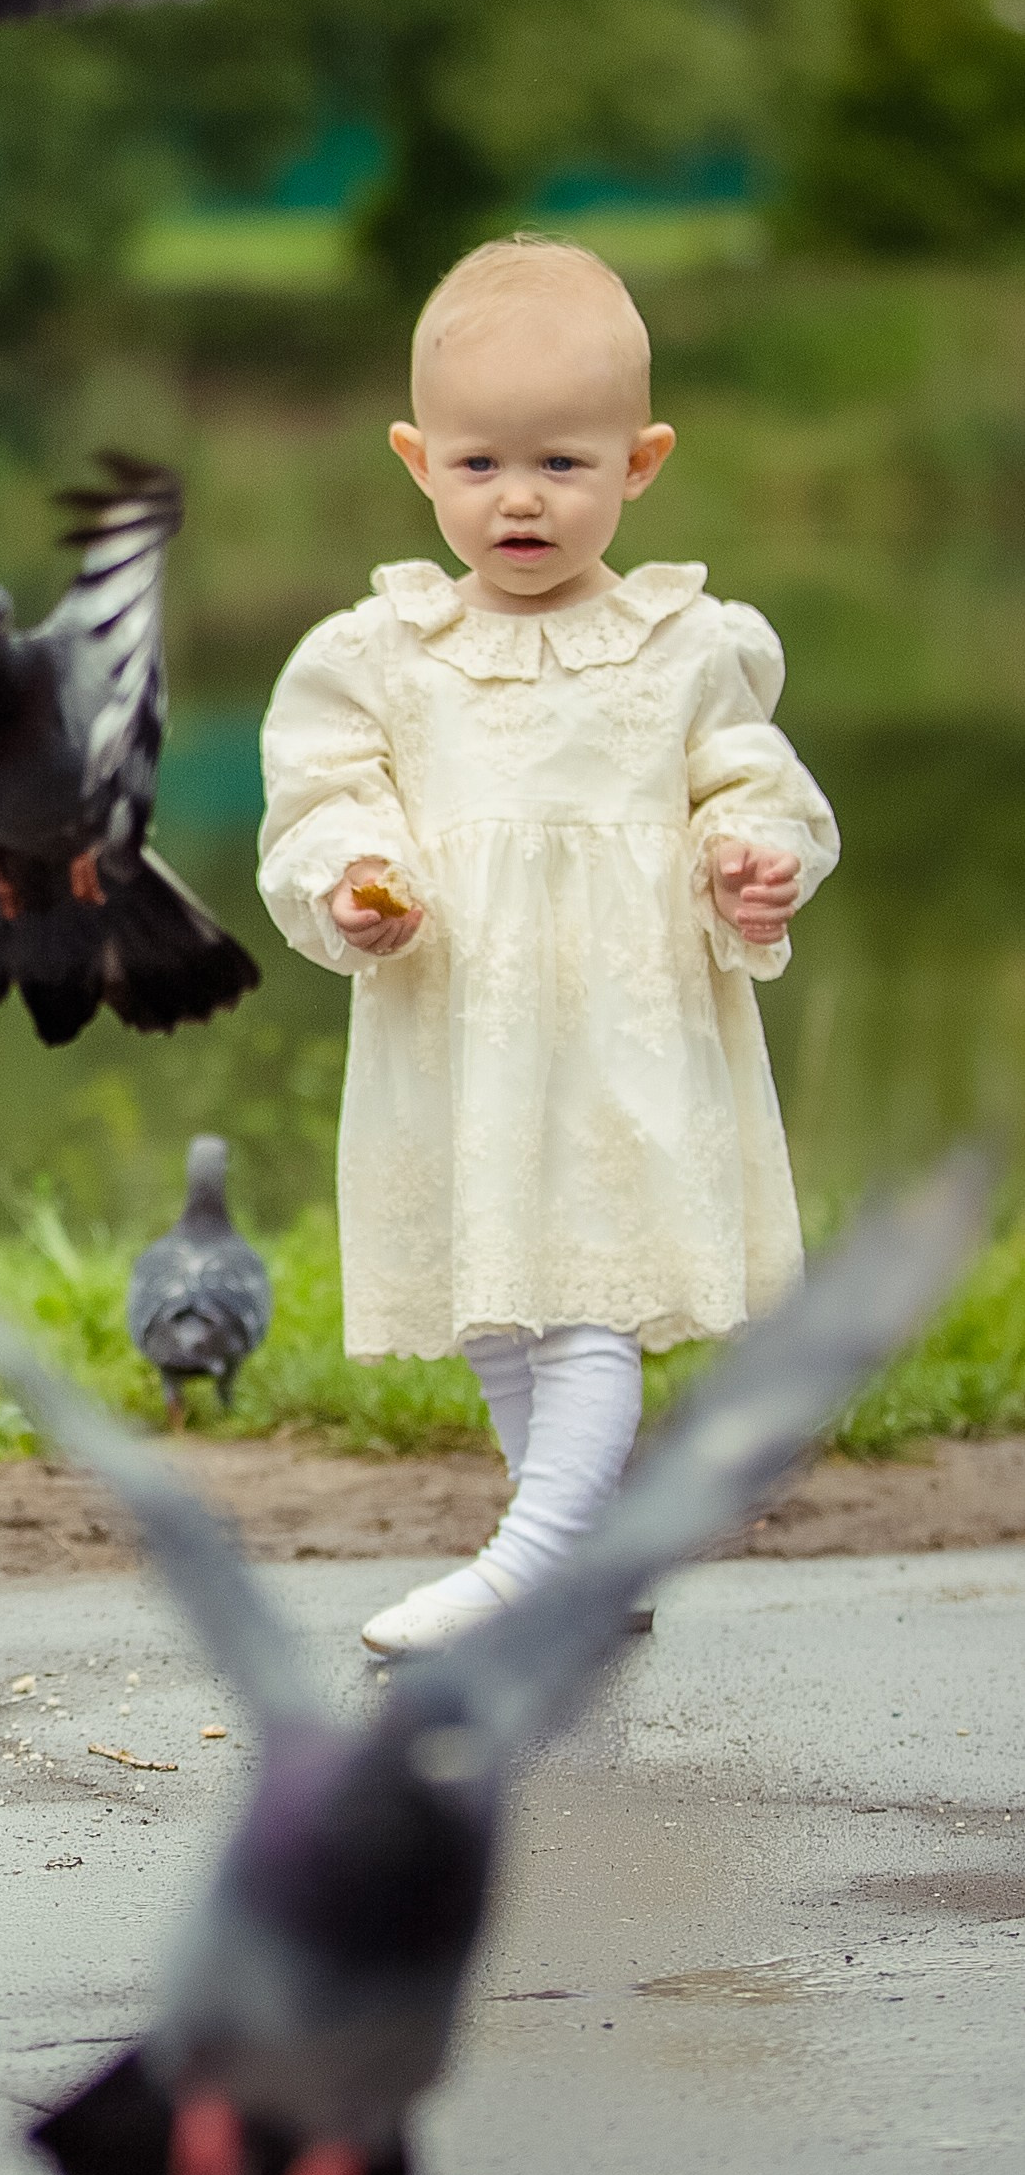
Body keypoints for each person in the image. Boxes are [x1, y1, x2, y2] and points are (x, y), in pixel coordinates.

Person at [254, 234, 838, 1660]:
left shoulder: (682, 644)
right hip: (459, 1034)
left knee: (583, 1292)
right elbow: (324, 802)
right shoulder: (378, 653)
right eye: (481, 464)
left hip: (621, 1032)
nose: (520, 496)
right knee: (498, 1302)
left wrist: (752, 863)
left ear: (639, 464)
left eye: (564, 465)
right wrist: (356, 883)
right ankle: (578, 1545)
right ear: (418, 459)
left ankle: (536, 1558)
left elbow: (752, 786)